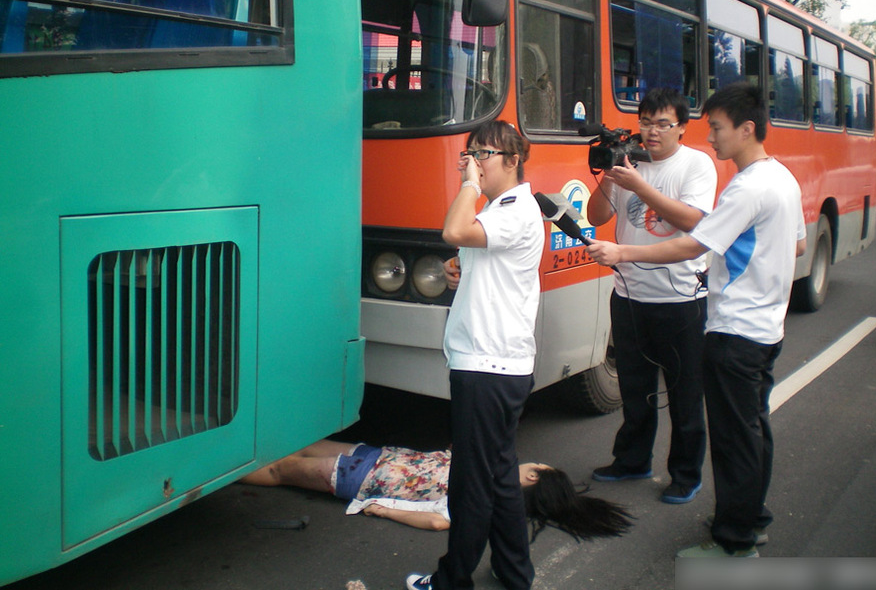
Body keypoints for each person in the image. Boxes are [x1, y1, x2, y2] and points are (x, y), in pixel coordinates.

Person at [586, 83, 806, 558]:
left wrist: (624, 251)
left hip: (734, 326)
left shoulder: (746, 186)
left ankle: (734, 539)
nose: (713, 139)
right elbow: (799, 245)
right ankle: (749, 518)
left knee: (731, 438)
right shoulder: (782, 179)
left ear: (747, 129)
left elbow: (696, 242)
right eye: (646, 122)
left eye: (718, 128)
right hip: (763, 324)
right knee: (751, 432)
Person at [405, 120, 545, 590]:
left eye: (482, 154)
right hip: (495, 363)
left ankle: (452, 581)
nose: (474, 163)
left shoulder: (513, 207)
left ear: (512, 160)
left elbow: (453, 230)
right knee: (500, 475)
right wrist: (458, 271)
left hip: (488, 365)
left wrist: (467, 186)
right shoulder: (501, 209)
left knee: (472, 485)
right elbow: (471, 254)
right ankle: (513, 571)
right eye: (469, 154)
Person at [586, 87, 717, 505]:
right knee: (635, 389)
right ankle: (632, 460)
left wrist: (640, 186)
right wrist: (611, 174)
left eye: (663, 123)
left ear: (682, 127)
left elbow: (693, 223)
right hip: (628, 295)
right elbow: (596, 217)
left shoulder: (696, 165)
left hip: (681, 300)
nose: (653, 131)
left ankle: (684, 474)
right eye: (646, 122)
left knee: (684, 395)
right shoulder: (629, 162)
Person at [241, 440, 634, 540]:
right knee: (294, 452)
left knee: (280, 470)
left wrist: (383, 509)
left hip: (360, 477)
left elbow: (436, 522)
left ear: (532, 479)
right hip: (373, 459)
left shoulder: (484, 499)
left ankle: (215, 470)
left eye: (535, 467)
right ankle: (231, 456)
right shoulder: (488, 480)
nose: (530, 463)